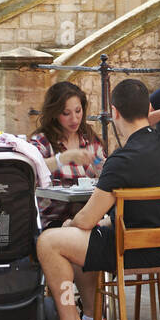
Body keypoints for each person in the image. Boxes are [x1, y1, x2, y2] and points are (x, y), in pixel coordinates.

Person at [36, 77, 160, 320]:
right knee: (79, 240)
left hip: (129, 249)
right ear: (149, 108)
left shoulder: (123, 159)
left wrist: (70, 225)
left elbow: (87, 219)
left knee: (50, 242)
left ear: (115, 112)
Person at [30, 82, 105, 227]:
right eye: (66, 113)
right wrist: (63, 158)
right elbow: (31, 170)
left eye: (78, 111)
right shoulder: (41, 141)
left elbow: (105, 171)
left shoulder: (89, 137)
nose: (74, 119)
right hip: (54, 220)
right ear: (55, 114)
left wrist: (100, 166)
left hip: (88, 218)